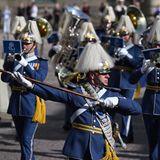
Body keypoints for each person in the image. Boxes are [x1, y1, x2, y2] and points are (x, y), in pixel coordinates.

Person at [12, 41, 142, 160]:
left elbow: (136, 109)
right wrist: (30, 85)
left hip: (100, 149)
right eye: (103, 73)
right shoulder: (77, 92)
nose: (108, 75)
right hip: (77, 148)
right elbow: (51, 93)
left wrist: (117, 102)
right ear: (92, 74)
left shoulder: (111, 94)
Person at [1, 20, 48, 160]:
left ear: (34, 44)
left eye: (27, 43)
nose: (24, 45)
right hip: (16, 104)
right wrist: (8, 63)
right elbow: (5, 79)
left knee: (27, 140)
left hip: (32, 105)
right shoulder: (14, 60)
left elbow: (39, 79)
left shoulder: (41, 62)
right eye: (23, 42)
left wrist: (25, 64)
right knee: (23, 140)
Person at [108, 15, 144, 143]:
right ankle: (109, 133)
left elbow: (137, 64)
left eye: (126, 34)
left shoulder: (136, 49)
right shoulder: (113, 47)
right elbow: (107, 62)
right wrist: (113, 56)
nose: (123, 37)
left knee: (126, 111)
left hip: (128, 82)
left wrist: (127, 55)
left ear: (130, 35)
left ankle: (125, 135)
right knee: (110, 109)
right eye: (121, 34)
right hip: (114, 80)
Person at [129, 17, 160, 160]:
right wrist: (142, 69)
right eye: (156, 43)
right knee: (152, 139)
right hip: (149, 104)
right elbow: (132, 79)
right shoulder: (147, 59)